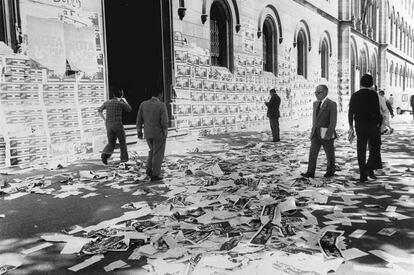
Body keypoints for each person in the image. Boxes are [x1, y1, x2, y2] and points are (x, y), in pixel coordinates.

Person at [348, 74, 382, 182]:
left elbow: (350, 112)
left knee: (361, 149)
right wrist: (378, 124)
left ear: (361, 83)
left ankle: (363, 173)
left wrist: (351, 126)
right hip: (372, 125)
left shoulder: (355, 95)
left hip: (359, 125)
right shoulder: (373, 94)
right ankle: (369, 167)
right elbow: (377, 111)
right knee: (375, 147)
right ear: (371, 83)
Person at [301, 84, 337, 179]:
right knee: (312, 153)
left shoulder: (331, 104)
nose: (316, 94)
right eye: (315, 92)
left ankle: (330, 171)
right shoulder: (315, 104)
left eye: (318, 92)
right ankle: (310, 172)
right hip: (315, 133)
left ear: (325, 93)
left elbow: (333, 121)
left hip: (325, 132)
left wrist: (329, 134)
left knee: (329, 153)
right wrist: (312, 131)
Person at [136, 89, 169, 181]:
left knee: (152, 151)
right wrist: (165, 132)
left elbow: (139, 120)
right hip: (159, 133)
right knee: (158, 154)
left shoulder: (143, 104)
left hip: (147, 133)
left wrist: (139, 132)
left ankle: (149, 169)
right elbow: (164, 121)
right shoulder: (161, 105)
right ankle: (155, 175)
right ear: (160, 94)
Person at [98, 86, 132, 165]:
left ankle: (105, 154)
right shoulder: (120, 103)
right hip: (117, 124)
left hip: (108, 124)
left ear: (113, 94)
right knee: (122, 142)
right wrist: (125, 101)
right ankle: (124, 159)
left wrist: (104, 119)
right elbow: (129, 109)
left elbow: (99, 111)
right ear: (121, 95)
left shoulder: (107, 102)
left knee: (111, 142)